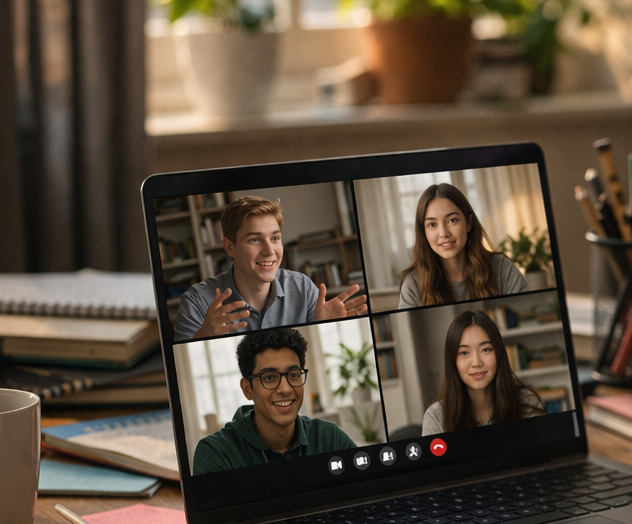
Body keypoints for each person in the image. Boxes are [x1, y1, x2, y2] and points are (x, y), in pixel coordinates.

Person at [175, 195, 367, 341]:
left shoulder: (303, 288)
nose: (269, 251)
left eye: (275, 238)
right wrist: (203, 337)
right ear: (230, 247)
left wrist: (328, 329)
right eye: (255, 239)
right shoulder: (197, 302)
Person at [192, 327, 356, 474]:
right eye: (269, 377)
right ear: (248, 389)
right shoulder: (215, 453)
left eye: (293, 375)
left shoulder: (330, 438)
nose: (285, 389)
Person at [398, 182, 529, 308]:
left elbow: (526, 310)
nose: (443, 233)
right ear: (423, 232)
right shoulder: (413, 285)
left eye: (452, 220)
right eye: (432, 224)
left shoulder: (501, 267)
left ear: (468, 222)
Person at [423, 309, 545, 433]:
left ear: (499, 353)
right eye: (464, 353)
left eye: (486, 350)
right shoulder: (436, 417)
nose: (476, 362)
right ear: (453, 362)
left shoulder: (526, 401)